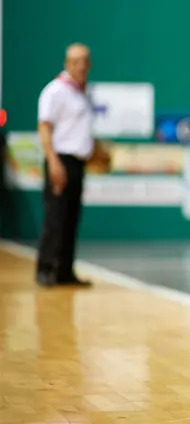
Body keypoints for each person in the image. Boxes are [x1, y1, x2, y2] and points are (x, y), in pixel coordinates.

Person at [35, 43, 95, 287]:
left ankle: (65, 271)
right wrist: (53, 162)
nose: (81, 66)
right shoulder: (55, 91)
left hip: (79, 164)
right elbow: (44, 127)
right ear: (66, 63)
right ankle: (45, 270)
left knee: (71, 218)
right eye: (76, 61)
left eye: (85, 61)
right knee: (55, 218)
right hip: (59, 161)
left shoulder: (84, 92)